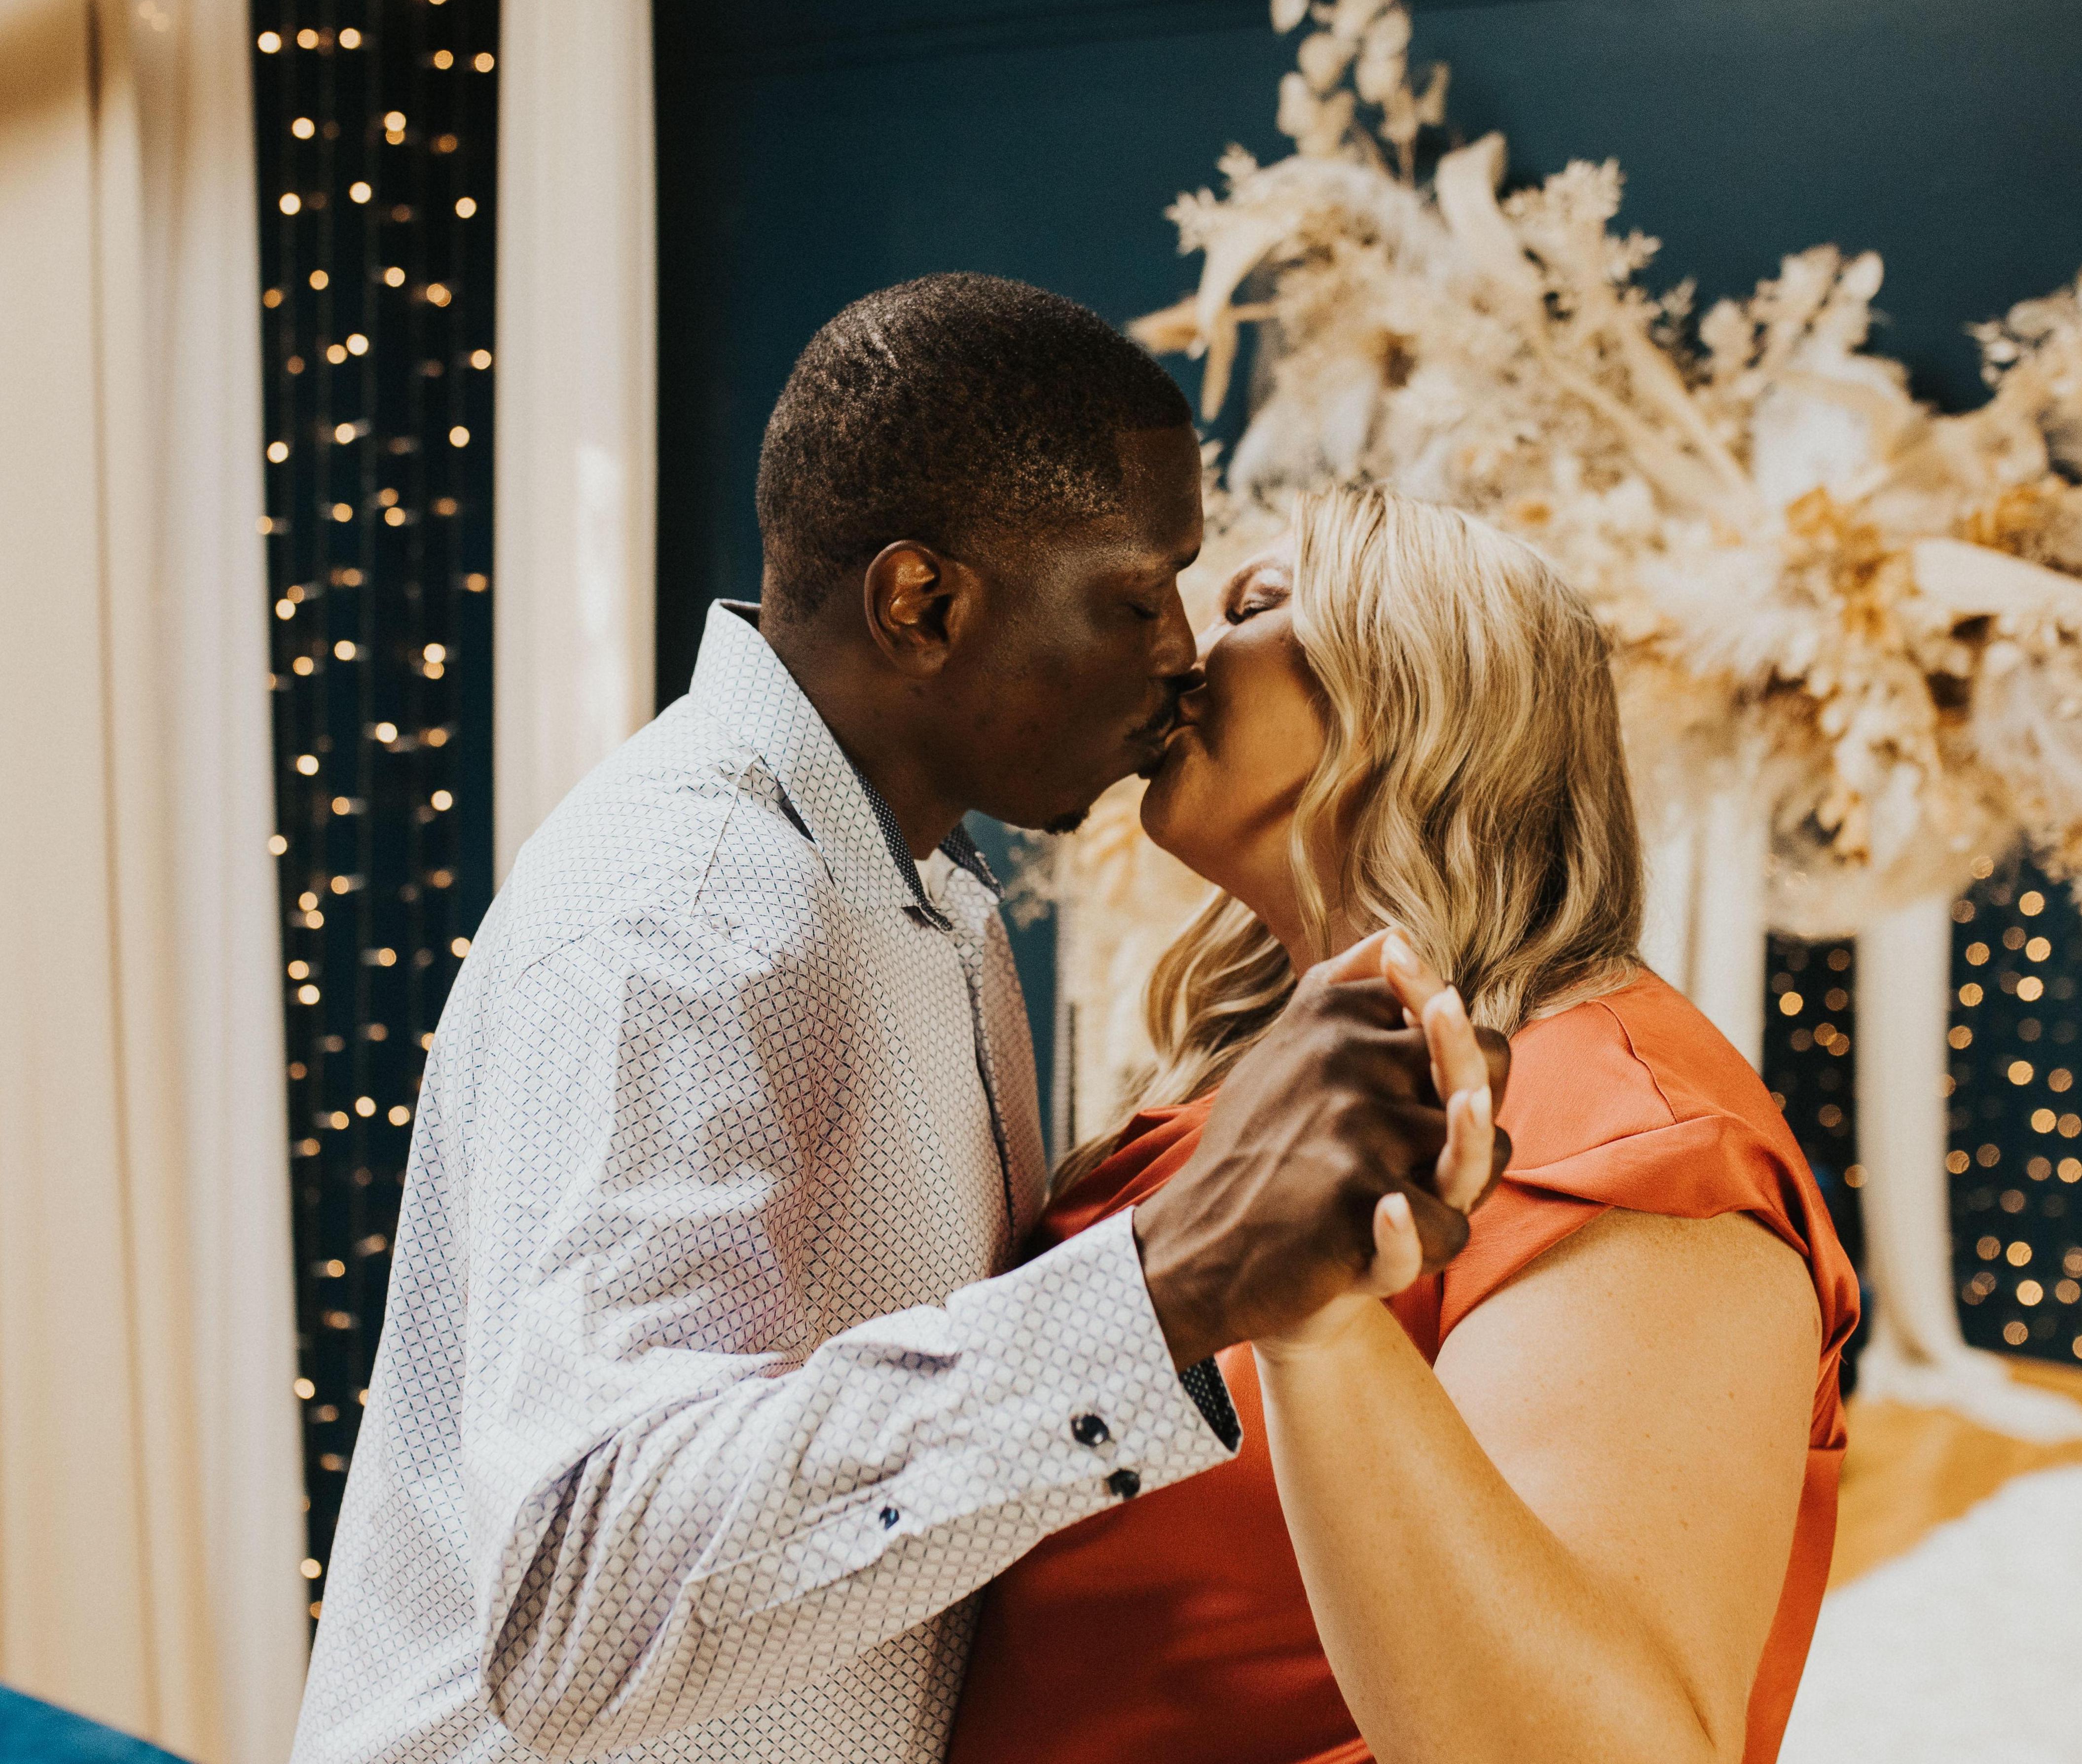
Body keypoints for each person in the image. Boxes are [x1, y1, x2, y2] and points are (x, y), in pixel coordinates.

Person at [290, 277, 1505, 1764]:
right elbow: (581, 1598)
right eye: (1139, 597)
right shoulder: (683, 915)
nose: (1182, 652)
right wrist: (1162, 1283)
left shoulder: (936, 893)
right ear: (924, 606)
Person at [950, 486, 1860, 1764]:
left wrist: (1320, 1331)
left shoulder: (1636, 1150)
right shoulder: (1267, 1072)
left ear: (1418, 692)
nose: (1186, 657)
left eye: (1257, 605)